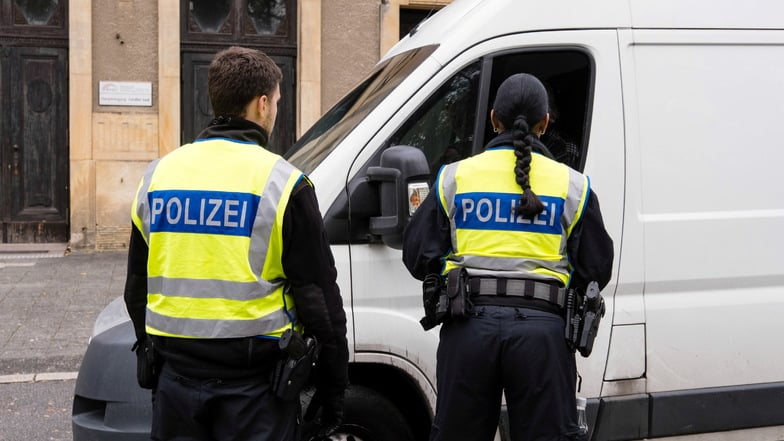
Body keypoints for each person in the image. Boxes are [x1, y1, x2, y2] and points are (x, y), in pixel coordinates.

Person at [123, 46, 348, 441]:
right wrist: (333, 387)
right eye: (276, 101)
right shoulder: (282, 183)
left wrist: (153, 353)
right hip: (255, 394)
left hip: (176, 385)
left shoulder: (159, 176)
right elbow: (319, 302)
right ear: (261, 104)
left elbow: (136, 289)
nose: (276, 110)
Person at [402, 73, 614, 441]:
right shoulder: (572, 186)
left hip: (467, 330)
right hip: (543, 339)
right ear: (545, 123)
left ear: (493, 119)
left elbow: (417, 255)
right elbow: (598, 267)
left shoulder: (454, 178)